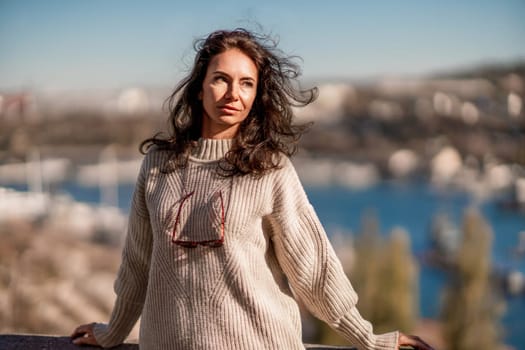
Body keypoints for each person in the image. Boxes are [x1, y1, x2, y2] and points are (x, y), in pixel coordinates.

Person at [71, 28, 434, 350]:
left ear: (257, 94)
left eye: (247, 83)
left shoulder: (270, 170)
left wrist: (369, 339)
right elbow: (138, 263)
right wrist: (113, 332)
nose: (234, 93)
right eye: (221, 79)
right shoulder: (158, 165)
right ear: (200, 89)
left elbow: (313, 269)